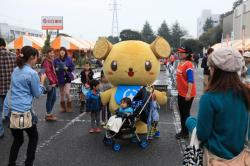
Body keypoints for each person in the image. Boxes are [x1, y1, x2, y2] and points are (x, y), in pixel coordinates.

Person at [186, 48, 250, 161]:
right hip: (240, 158)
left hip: (216, 158)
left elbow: (202, 134)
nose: (210, 70)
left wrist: (190, 121)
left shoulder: (209, 97)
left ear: (215, 70)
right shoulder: (245, 93)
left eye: (211, 67)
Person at [3, 46, 46, 166]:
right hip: (23, 112)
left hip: (11, 110)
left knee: (18, 139)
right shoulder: (32, 73)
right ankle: (29, 163)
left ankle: (11, 163)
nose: (37, 60)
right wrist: (42, 82)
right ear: (32, 57)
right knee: (33, 137)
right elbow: (37, 94)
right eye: (37, 57)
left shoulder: (16, 70)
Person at [175, 46, 196, 139]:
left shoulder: (188, 64)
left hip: (187, 93)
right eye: (179, 52)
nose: (179, 54)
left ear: (187, 54)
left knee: (185, 113)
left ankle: (186, 132)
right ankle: (184, 131)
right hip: (181, 92)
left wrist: (188, 93)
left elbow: (190, 80)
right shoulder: (181, 63)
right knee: (182, 113)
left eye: (182, 53)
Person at [0, 38, 16, 138]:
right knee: (12, 109)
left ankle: (0, 131)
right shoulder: (13, 56)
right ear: (4, 45)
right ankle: (14, 129)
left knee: (0, 109)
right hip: (11, 88)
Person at [54, 47, 75, 113]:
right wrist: (56, 69)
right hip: (60, 77)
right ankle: (63, 107)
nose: (62, 52)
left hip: (67, 77)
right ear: (59, 52)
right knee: (62, 94)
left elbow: (72, 68)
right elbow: (54, 68)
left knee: (67, 92)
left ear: (65, 52)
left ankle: (69, 106)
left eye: (63, 51)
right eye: (61, 51)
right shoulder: (56, 60)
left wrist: (67, 68)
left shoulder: (69, 59)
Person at [42, 48, 58, 121]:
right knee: (50, 98)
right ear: (47, 53)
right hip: (50, 83)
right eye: (51, 53)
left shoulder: (49, 61)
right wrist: (52, 82)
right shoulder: (46, 62)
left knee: (53, 98)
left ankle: (49, 113)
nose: (52, 54)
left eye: (53, 53)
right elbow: (47, 72)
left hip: (52, 82)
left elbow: (49, 72)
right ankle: (48, 114)